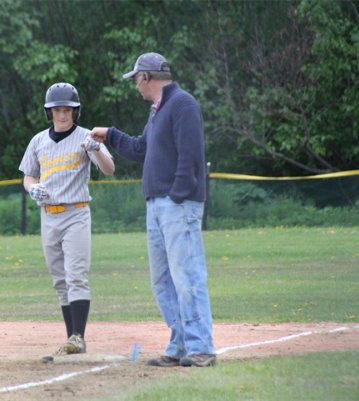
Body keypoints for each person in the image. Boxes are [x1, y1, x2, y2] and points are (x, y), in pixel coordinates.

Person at [90, 53, 216, 367]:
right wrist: (111, 134)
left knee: (186, 276)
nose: (135, 85)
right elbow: (141, 148)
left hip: (177, 205)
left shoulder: (183, 104)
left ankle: (201, 347)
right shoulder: (157, 110)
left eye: (136, 79)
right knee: (162, 281)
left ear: (146, 77)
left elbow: (190, 156)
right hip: (156, 206)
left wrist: (177, 195)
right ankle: (180, 344)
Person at [19, 82, 115, 360]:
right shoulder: (38, 141)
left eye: (68, 110)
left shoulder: (87, 136)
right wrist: (31, 187)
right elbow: (28, 175)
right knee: (59, 280)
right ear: (49, 112)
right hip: (48, 215)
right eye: (57, 110)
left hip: (76, 213)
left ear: (76, 111)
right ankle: (71, 338)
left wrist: (95, 148)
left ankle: (79, 337)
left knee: (76, 275)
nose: (63, 115)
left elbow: (109, 169)